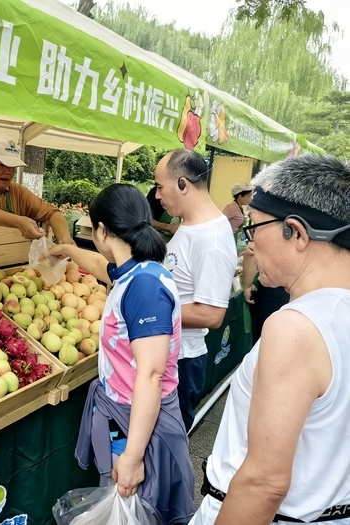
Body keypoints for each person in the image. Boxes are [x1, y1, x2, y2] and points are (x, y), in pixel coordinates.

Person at [190, 155, 350, 525]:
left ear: (296, 232)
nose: (250, 246)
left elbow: (264, 482)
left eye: (254, 228)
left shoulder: (295, 327)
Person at [50, 184, 195, 525]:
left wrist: (132, 455)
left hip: (139, 420)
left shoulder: (144, 287)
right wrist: (68, 249)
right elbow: (101, 265)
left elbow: (151, 374)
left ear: (101, 230)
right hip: (126, 415)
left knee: (135, 507)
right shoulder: (135, 270)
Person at [154, 149, 237, 432]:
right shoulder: (188, 226)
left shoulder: (211, 239)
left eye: (159, 186)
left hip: (182, 361)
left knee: (166, 446)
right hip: (167, 354)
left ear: (182, 184)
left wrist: (150, 310)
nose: (156, 196)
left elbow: (211, 315)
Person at [0, 134, 74, 244]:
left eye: (13, 166)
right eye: (2, 165)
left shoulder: (17, 191)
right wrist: (19, 222)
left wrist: (64, 238)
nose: (8, 171)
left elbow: (51, 212)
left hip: (9, 260)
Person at [241, 241, 289, 343]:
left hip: (272, 291)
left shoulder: (269, 228)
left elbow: (251, 251)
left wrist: (247, 285)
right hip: (301, 289)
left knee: (265, 341)